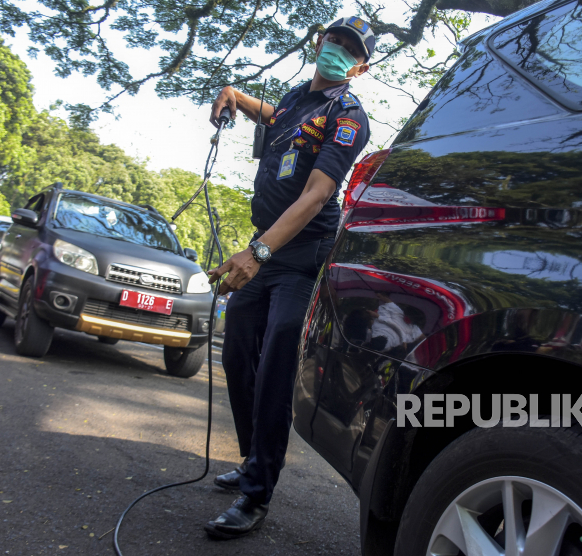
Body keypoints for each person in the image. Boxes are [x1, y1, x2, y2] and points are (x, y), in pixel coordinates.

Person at [202, 16, 375, 540]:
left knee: (278, 355)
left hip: (299, 255)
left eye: (349, 49)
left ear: (361, 66)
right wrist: (236, 95)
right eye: (333, 40)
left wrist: (257, 251)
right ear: (319, 42)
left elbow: (317, 194)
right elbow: (277, 117)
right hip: (264, 248)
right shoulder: (299, 97)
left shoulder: (348, 115)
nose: (337, 50)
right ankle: (254, 456)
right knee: (236, 353)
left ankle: (256, 493)